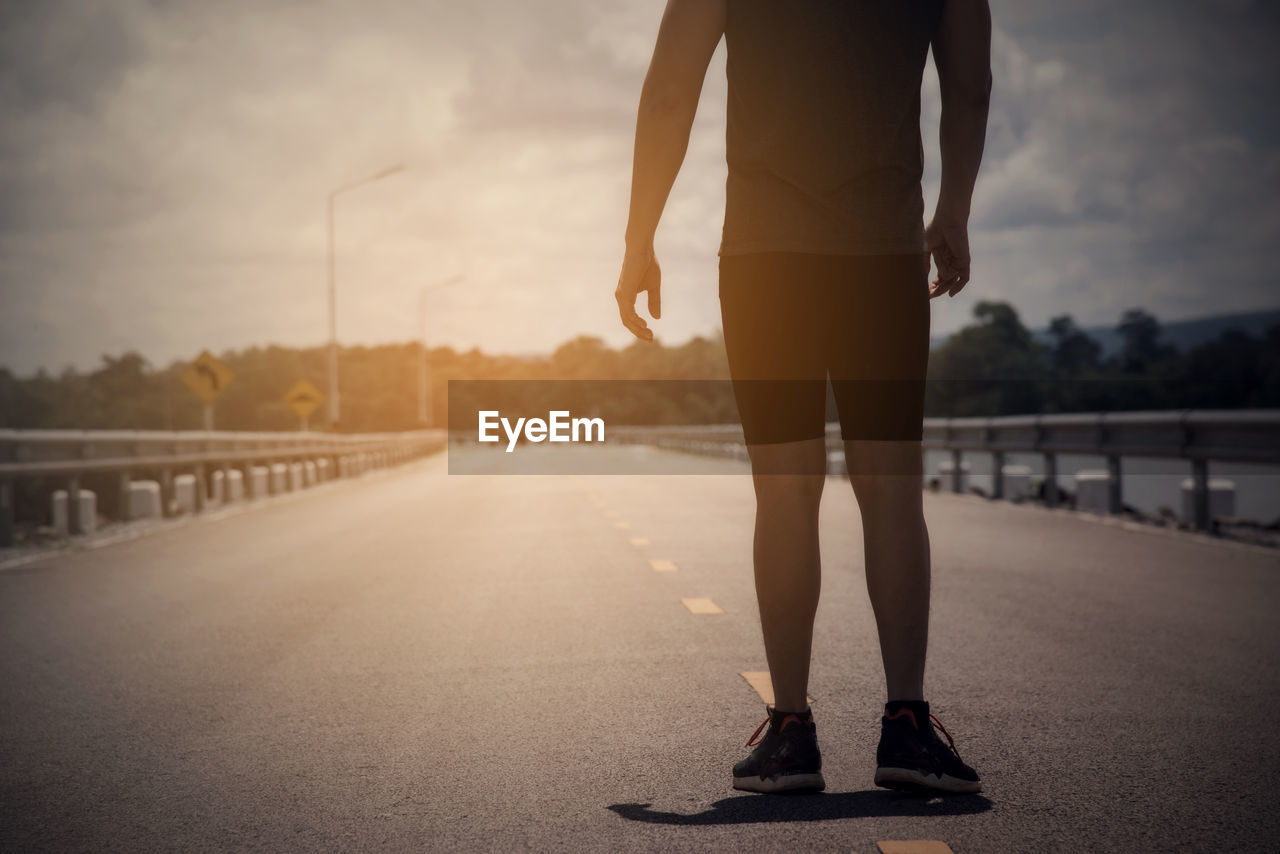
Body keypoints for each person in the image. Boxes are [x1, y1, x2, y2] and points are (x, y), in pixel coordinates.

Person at [615, 0, 992, 794]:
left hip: (765, 259)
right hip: (880, 250)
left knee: (784, 491)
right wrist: (953, 209)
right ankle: (908, 729)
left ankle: (790, 732)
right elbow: (970, 87)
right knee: (890, 492)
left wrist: (638, 239)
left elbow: (667, 92)